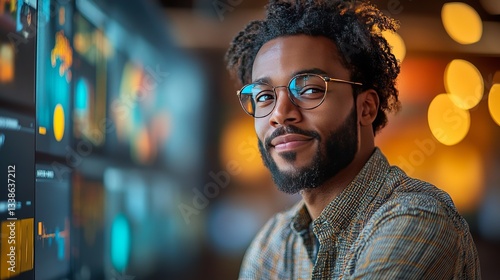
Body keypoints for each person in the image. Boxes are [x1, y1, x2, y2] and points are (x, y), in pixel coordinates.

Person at [225, 0, 481, 279]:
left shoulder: (417, 220)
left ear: (366, 108)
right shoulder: (272, 246)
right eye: (264, 97)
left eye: (309, 90)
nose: (280, 114)